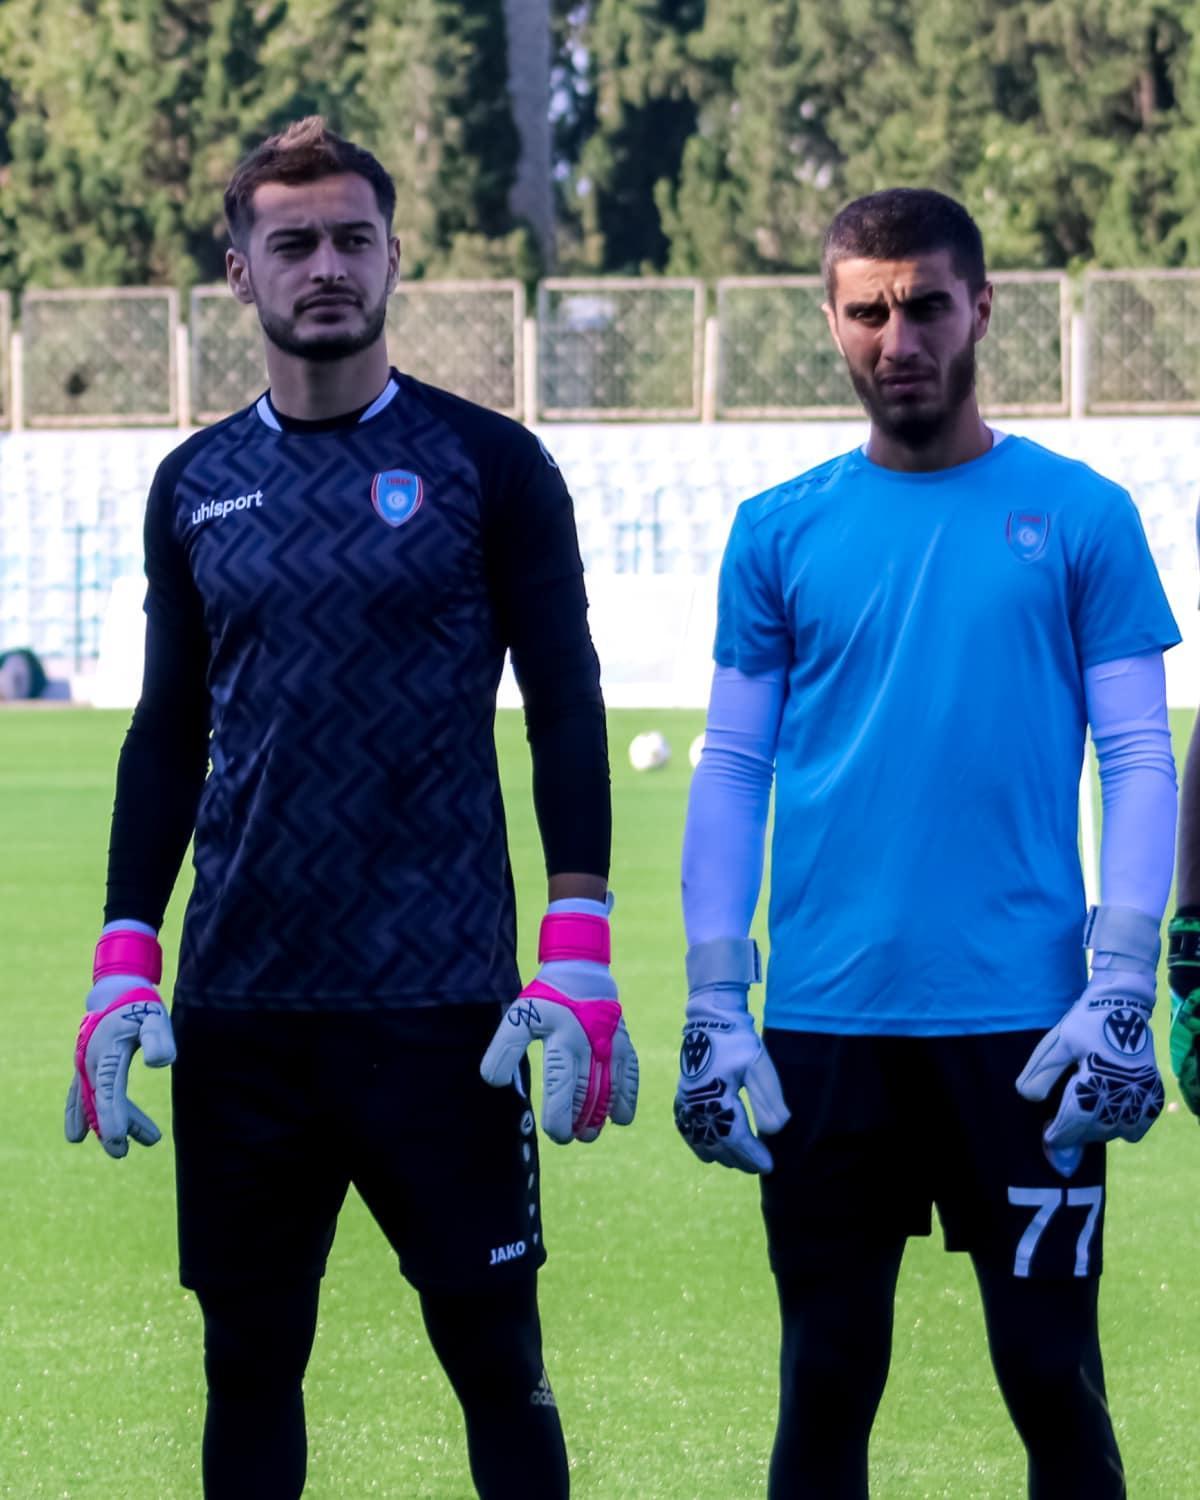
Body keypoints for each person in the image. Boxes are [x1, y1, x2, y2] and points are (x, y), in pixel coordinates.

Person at [64, 116, 638, 1500]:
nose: (325, 265)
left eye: (352, 239)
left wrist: (579, 945)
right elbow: (167, 732)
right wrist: (125, 950)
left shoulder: (490, 465)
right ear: (241, 271)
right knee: (248, 1368)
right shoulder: (194, 485)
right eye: (293, 243)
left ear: (393, 257)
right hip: (243, 1007)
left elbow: (566, 703)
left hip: (444, 1006)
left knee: (497, 1360)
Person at [673, 187, 1178, 1498]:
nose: (897, 339)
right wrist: (717, 998)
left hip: (1030, 1033)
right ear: (832, 320)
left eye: (926, 307)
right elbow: (732, 766)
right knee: (826, 1381)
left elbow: (1137, 754)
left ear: (982, 309)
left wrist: (1124, 982)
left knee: (1052, 1379)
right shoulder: (778, 529)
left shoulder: (1082, 514)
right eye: (868, 312)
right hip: (825, 1031)